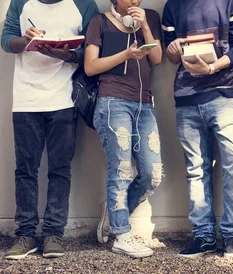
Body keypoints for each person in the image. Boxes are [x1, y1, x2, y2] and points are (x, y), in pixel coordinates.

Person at [1, 0, 98, 260]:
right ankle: (26, 234)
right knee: (25, 170)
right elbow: (6, 40)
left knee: (60, 169)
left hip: (64, 100)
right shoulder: (21, 2)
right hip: (25, 99)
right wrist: (25, 41)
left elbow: (92, 49)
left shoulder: (84, 4)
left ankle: (54, 233)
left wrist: (66, 55)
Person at [162, 0, 233, 258]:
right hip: (187, 98)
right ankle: (203, 236)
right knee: (196, 169)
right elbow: (170, 56)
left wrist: (212, 67)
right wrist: (173, 48)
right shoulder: (173, 5)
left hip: (226, 94)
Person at [84, 0, 163, 258]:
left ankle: (116, 215)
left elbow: (158, 59)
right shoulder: (100, 22)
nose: (136, 1)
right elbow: (90, 66)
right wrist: (125, 55)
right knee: (121, 169)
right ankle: (121, 235)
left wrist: (146, 29)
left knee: (152, 173)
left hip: (144, 104)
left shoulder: (149, 17)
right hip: (112, 102)